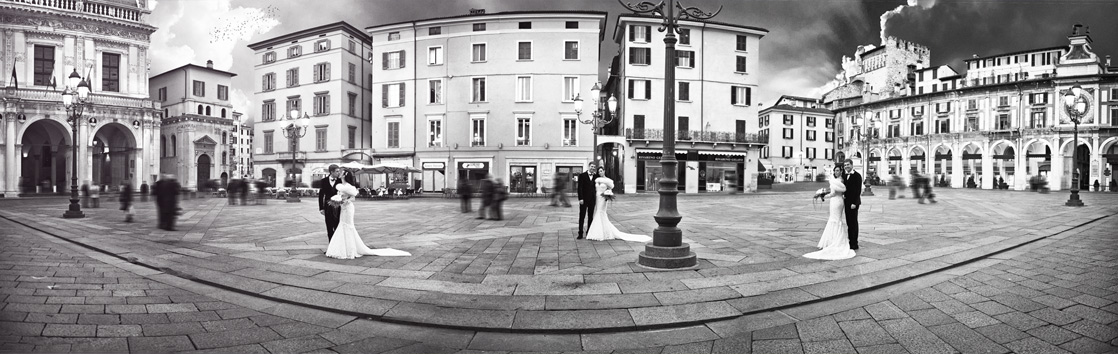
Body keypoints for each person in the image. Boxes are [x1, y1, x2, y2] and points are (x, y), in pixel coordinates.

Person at [325, 170, 411, 259]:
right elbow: (348, 196)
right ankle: (343, 248)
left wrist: (344, 200)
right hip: (343, 208)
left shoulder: (348, 186)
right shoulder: (344, 186)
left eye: (342, 173)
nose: (340, 174)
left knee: (347, 226)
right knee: (342, 225)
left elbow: (352, 197)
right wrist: (339, 200)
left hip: (348, 208)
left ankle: (349, 250)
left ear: (344, 176)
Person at [804, 166, 856, 260]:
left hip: (835, 201)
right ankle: (836, 240)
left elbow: (832, 193)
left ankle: (834, 241)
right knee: (836, 219)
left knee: (834, 219)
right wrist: (824, 192)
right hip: (839, 201)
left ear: (841, 171)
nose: (836, 172)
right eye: (835, 170)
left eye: (838, 170)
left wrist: (822, 195)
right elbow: (836, 191)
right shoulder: (841, 180)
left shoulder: (836, 181)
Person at [585, 168, 651, 243]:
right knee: (597, 212)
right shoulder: (596, 179)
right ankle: (599, 231)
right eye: (599, 171)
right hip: (597, 197)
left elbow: (610, 189)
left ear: (604, 171)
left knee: (601, 212)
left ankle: (600, 233)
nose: (600, 172)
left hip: (603, 198)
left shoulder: (608, 181)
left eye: (601, 171)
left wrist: (607, 194)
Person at [318, 165, 343, 242]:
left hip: (338, 206)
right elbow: (321, 195)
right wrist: (321, 208)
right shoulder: (323, 181)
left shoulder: (340, 181)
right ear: (331, 172)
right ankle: (331, 247)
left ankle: (338, 246)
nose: (338, 173)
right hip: (327, 207)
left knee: (337, 226)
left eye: (339, 171)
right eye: (337, 171)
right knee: (329, 227)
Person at [842, 159, 862, 250]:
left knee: (854, 223)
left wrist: (854, 203)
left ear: (852, 165)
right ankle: (850, 241)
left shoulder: (857, 176)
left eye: (848, 164)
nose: (846, 166)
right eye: (845, 165)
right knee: (849, 223)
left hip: (854, 203)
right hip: (846, 202)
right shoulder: (844, 175)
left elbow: (858, 191)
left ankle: (854, 243)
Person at [576, 162, 599, 240]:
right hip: (584, 199)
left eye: (594, 167)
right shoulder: (582, 176)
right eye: (592, 166)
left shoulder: (596, 176)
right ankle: (580, 233)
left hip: (592, 200)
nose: (593, 168)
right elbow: (580, 188)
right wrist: (580, 198)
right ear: (589, 166)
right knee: (582, 216)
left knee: (590, 217)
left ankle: (589, 232)